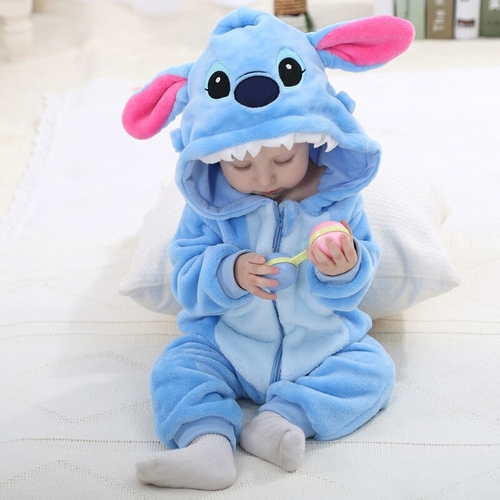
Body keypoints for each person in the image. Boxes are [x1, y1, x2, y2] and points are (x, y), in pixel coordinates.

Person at [121, 8, 414, 491]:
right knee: (177, 367)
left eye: (283, 158)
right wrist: (229, 272)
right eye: (240, 166)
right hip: (226, 345)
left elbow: (353, 287)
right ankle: (206, 444)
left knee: (373, 370)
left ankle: (280, 421)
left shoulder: (336, 199)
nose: (264, 177)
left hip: (319, 346)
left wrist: (344, 268)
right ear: (212, 157)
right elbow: (185, 278)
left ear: (311, 139)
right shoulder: (211, 208)